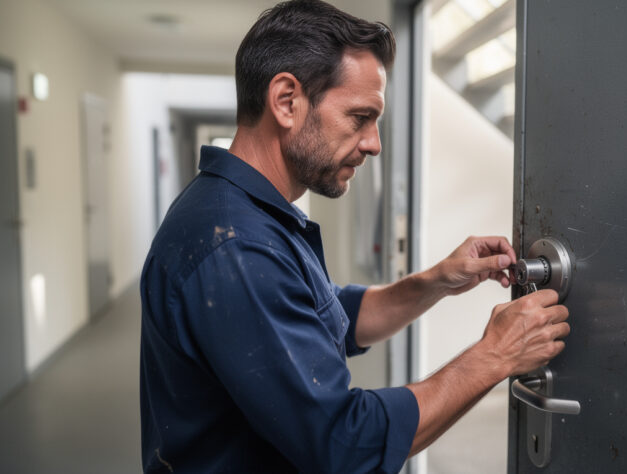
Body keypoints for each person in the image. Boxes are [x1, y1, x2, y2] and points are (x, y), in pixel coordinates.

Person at [139, 1, 570, 472]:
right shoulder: (237, 247)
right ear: (286, 101)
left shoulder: (244, 212)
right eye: (360, 117)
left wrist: (437, 281)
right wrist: (495, 354)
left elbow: (329, 317)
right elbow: (344, 444)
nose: (374, 144)